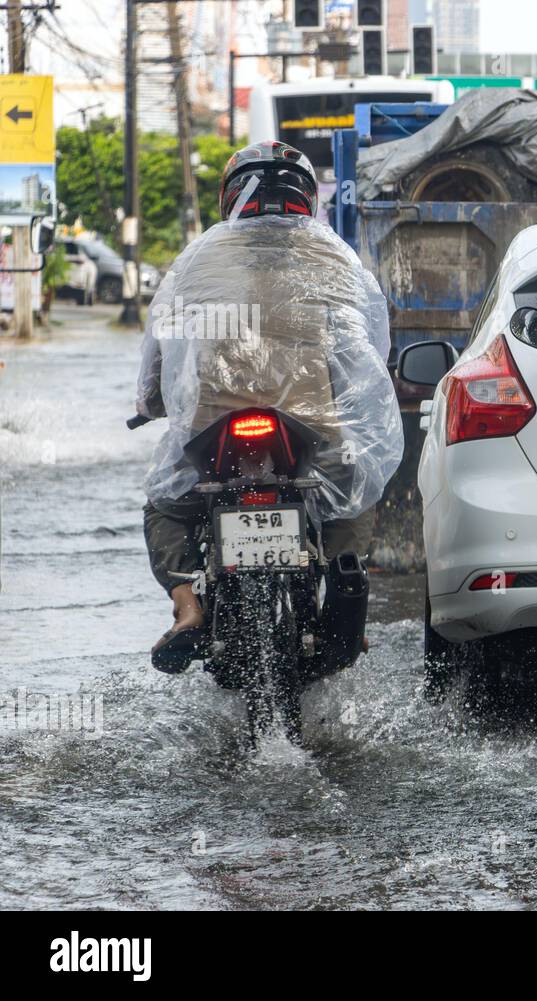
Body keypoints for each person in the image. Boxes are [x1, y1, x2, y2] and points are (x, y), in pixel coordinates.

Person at [135, 140, 401, 670]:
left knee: (164, 503)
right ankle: (348, 606)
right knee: (352, 493)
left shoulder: (196, 258)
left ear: (231, 195)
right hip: (313, 431)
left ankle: (188, 607)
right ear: (306, 195)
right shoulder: (338, 258)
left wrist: (150, 403)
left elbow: (158, 352)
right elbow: (370, 351)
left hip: (212, 433)